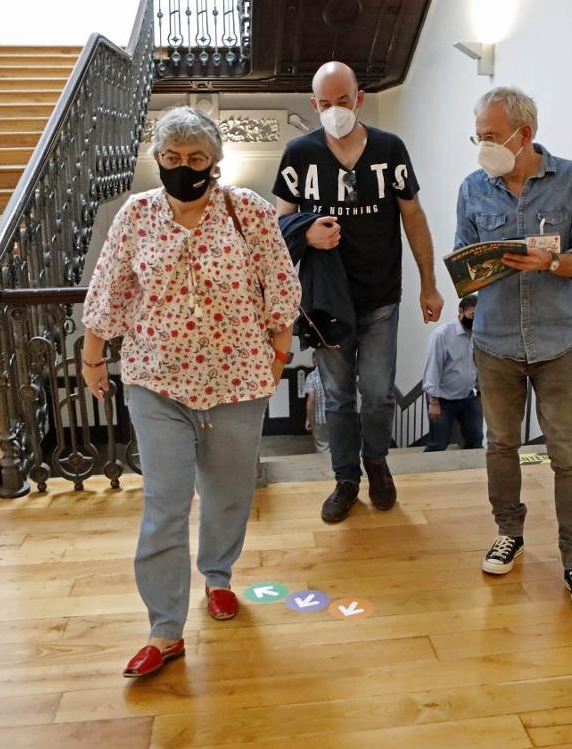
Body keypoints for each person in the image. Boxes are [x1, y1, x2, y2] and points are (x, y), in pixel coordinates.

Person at [80, 106, 300, 678]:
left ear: (215, 162)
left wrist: (279, 354)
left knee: (228, 493)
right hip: (157, 380)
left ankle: (219, 577)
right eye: (173, 159)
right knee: (165, 503)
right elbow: (110, 286)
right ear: (157, 161)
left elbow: (281, 285)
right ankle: (164, 628)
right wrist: (93, 354)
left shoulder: (247, 212)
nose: (184, 168)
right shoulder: (136, 215)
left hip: (237, 379)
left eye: (196, 159)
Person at [274, 61, 444, 523]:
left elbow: (413, 216)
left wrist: (430, 283)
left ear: (359, 98)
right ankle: (346, 478)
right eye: (325, 104)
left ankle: (377, 462)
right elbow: (276, 225)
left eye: (342, 101)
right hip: (326, 302)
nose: (334, 111)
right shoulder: (299, 154)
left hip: (381, 296)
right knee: (337, 395)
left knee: (379, 392)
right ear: (314, 105)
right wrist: (306, 233)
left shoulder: (390, 149)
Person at [456, 87, 572, 609]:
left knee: (568, 455)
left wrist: (553, 264)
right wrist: (467, 281)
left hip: (558, 340)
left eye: (492, 137)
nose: (483, 147)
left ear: (525, 135)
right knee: (500, 445)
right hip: (495, 341)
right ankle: (509, 532)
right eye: (478, 137)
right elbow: (464, 259)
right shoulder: (473, 188)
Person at [422, 294, 483, 452]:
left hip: (468, 398)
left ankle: (470, 473)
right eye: (473, 315)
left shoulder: (478, 334)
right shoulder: (442, 335)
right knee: (438, 444)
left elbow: (478, 365)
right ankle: (430, 475)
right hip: (442, 400)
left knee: (476, 438)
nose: (476, 320)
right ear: (461, 312)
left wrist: (481, 394)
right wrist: (433, 402)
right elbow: (433, 369)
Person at [303, 366, 330, 453]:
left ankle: (324, 465)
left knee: (322, 447)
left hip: (320, 418)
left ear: (314, 361)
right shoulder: (333, 374)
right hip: (335, 417)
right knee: (336, 445)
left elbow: (311, 400)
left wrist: (308, 419)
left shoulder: (312, 376)